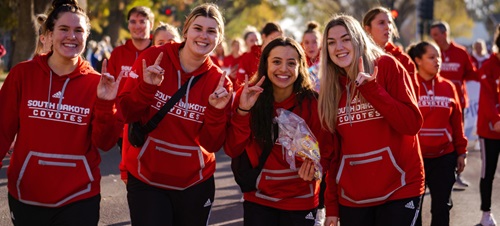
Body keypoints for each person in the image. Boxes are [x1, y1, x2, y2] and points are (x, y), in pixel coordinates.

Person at [0, 0, 123, 225]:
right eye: (64, 29)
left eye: (79, 30)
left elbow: (104, 143)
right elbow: (2, 130)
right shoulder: (22, 74)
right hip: (27, 193)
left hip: (79, 196)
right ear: (48, 34)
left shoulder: (97, 83)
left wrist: (106, 104)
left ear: (87, 36)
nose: (71, 36)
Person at [118, 3, 232, 225]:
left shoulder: (220, 83)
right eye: (198, 28)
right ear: (186, 31)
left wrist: (217, 113)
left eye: (211, 31)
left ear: (219, 38)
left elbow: (212, 144)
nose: (203, 36)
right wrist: (146, 88)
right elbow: (126, 113)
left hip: (195, 183)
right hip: (146, 178)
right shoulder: (153, 57)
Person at [318, 14, 424, 226]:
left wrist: (372, 90)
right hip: (353, 198)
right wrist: (331, 206)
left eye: (346, 39)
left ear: (358, 38)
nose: (339, 47)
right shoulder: (330, 88)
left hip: (400, 188)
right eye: (331, 42)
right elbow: (334, 155)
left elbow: (411, 124)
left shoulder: (386, 66)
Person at [224, 36, 334, 226]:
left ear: (300, 67)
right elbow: (233, 149)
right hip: (259, 199)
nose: (283, 69)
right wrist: (242, 111)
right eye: (276, 62)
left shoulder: (313, 104)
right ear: (265, 64)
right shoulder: (248, 94)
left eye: (291, 63)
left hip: (301, 201)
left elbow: (327, 151)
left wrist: (317, 168)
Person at [407, 41, 467, 226]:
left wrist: (462, 152)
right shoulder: (409, 85)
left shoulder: (448, 86)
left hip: (444, 158)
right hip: (415, 159)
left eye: (439, 56)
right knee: (412, 209)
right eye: (432, 57)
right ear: (418, 60)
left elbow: (457, 122)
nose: (438, 61)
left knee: (442, 207)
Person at [106, 6, 154, 183]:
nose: (138, 25)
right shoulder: (118, 53)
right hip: (125, 126)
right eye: (133, 21)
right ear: (128, 25)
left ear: (151, 24)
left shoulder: (158, 52)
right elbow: (110, 89)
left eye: (143, 21)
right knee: (131, 174)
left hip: (153, 123)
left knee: (152, 172)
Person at [430, 20, 478, 188]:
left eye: (436, 35)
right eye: (432, 36)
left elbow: (472, 74)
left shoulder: (461, 52)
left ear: (445, 34)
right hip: (435, 105)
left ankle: (457, 174)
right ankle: (431, 175)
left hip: (458, 105)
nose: (434, 39)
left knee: (458, 138)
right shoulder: (431, 54)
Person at [362, 6, 418, 96]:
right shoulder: (359, 58)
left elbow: (413, 96)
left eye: (389, 23)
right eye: (381, 23)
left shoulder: (403, 60)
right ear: (367, 29)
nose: (388, 27)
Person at [476, 24, 500, 226]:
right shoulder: (489, 66)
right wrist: (496, 120)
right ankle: (486, 214)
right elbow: (487, 99)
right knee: (488, 173)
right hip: (491, 131)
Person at [235, 22, 283, 91]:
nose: (276, 43)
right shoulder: (249, 56)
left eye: (279, 40)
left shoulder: (283, 57)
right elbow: (239, 83)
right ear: (264, 37)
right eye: (273, 39)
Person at [301, 21, 322, 92]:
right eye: (306, 42)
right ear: (302, 44)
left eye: (314, 42)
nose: (310, 46)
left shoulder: (328, 61)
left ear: (321, 42)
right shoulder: (299, 63)